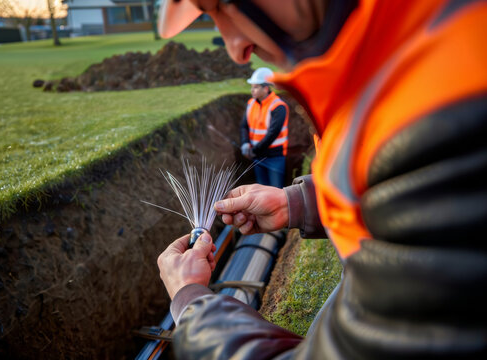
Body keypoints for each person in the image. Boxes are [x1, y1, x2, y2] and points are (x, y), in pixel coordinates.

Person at [157, 0, 487, 359]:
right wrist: (295, 203)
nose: (236, 48)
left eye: (222, 5)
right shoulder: (396, 64)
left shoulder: (451, 113)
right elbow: (400, 187)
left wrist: (191, 301)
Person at [241, 67, 289, 188]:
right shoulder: (251, 104)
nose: (252, 90)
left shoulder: (278, 107)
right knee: (261, 191)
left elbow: (272, 134)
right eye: (252, 87)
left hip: (274, 158)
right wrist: (245, 143)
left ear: (266, 88)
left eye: (256, 87)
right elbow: (244, 126)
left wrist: (253, 151)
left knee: (275, 192)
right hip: (257, 157)